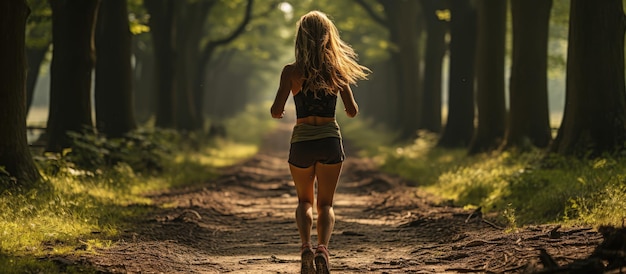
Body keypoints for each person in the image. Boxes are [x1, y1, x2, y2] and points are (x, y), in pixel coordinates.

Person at [270, 10, 370, 274]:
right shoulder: (337, 70)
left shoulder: (291, 72)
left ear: (300, 38)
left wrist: (282, 107)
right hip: (329, 140)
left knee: (304, 202)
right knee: (325, 204)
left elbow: (275, 110)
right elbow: (352, 110)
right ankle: (323, 250)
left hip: (302, 142)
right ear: (328, 37)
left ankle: (305, 246)